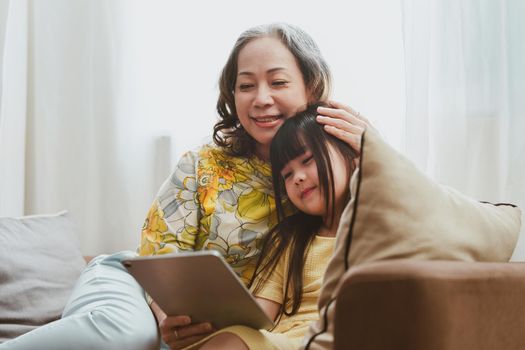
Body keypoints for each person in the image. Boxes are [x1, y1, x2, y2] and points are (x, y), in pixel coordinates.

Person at [0, 23, 370, 350]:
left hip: (208, 328)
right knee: (131, 337)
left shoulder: (329, 173)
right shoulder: (202, 164)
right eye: (245, 85)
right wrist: (165, 320)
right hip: (136, 282)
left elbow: (400, 210)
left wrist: (374, 146)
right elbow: (160, 256)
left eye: (278, 82)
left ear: (312, 86)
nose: (261, 99)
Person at [183, 103, 358, 349]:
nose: (297, 177)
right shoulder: (289, 239)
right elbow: (260, 315)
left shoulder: (374, 229)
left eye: (307, 160)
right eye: (286, 175)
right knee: (230, 340)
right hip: (279, 341)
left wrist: (372, 151)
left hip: (332, 339)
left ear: (351, 157)